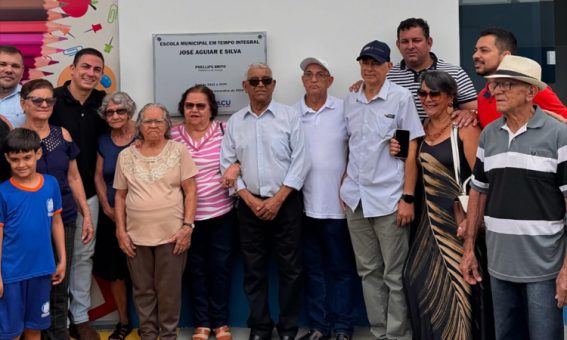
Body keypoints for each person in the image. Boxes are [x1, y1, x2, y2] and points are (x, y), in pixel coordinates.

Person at [460, 55, 567, 340]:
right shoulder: (489, 135)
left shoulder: (559, 135)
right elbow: (478, 191)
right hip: (498, 265)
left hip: (544, 268)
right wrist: (469, 248)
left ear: (531, 92)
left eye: (506, 85)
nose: (496, 91)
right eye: (495, 85)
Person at [390, 70, 493, 339]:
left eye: (434, 93)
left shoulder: (466, 127)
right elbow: (411, 167)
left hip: (457, 221)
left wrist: (473, 220)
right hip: (427, 222)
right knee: (416, 279)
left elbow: (481, 180)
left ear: (450, 97)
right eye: (423, 93)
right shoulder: (420, 127)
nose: (427, 99)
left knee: (461, 285)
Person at [340, 40, 424, 340]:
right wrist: (342, 187)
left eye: (375, 63)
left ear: (389, 66)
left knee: (394, 275)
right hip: (356, 199)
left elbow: (411, 148)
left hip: (390, 199)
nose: (369, 68)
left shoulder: (400, 98)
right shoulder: (350, 99)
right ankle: (379, 333)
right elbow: (347, 146)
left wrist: (408, 197)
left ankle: (398, 335)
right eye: (364, 62)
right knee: (368, 272)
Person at [220, 63, 308, 340]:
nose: (260, 85)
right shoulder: (235, 122)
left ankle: (288, 328)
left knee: (290, 270)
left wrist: (278, 199)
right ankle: (260, 327)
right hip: (249, 207)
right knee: (254, 270)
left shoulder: (289, 116)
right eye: (254, 81)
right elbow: (227, 164)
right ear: (245, 86)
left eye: (266, 80)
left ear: (273, 84)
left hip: (286, 204)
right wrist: (248, 198)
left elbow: (301, 160)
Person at [114, 103, 198, 339]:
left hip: (172, 235)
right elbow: (120, 195)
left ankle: (169, 335)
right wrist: (121, 231)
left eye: (159, 121)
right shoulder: (126, 155)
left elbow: (191, 191)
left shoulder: (178, 151)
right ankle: (148, 334)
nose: (153, 126)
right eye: (148, 121)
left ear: (167, 125)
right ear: (139, 125)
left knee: (169, 291)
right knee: (142, 290)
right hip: (135, 236)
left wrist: (187, 227)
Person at [19, 79, 94, 340]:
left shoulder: (62, 135)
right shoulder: (16, 140)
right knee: (34, 283)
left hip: (66, 217)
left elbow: (74, 177)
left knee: (60, 282)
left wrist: (86, 214)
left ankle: (59, 335)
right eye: (36, 100)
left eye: (48, 100)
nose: (43, 105)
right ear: (23, 104)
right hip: (29, 224)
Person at [293, 57, 358, 340]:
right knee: (313, 270)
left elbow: (360, 147)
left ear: (330, 81)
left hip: (339, 207)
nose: (314, 79)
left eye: (321, 74)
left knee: (343, 270)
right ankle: (319, 327)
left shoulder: (346, 109)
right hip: (304, 209)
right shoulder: (291, 114)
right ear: (303, 80)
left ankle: (343, 328)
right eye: (309, 74)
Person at [49, 47, 106, 339]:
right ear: (72, 69)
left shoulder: (103, 103)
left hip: (89, 195)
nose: (90, 73)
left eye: (97, 69)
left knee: (84, 255)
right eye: (85, 67)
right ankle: (53, 320)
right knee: (56, 257)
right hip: (54, 194)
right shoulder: (53, 101)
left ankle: (81, 317)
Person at [171, 85, 236, 340]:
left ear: (211, 109)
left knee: (220, 268)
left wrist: (237, 167)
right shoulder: (172, 135)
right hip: (186, 218)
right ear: (182, 109)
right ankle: (202, 323)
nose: (194, 110)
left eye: (200, 106)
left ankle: (221, 322)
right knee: (195, 270)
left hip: (221, 214)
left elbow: (246, 155)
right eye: (189, 106)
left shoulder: (224, 130)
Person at [0, 128, 66, 340]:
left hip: (42, 271)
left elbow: (56, 222)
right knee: (11, 333)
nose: (21, 164)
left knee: (35, 329)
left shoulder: (50, 184)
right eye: (15, 159)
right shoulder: (2, 192)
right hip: (11, 275)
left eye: (27, 157)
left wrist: (62, 259)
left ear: (38, 154)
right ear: (7, 159)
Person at [92, 92, 136, 340]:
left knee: (144, 272)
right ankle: (123, 322)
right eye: (110, 112)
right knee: (116, 271)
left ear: (129, 111)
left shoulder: (143, 135)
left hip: (142, 216)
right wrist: (107, 207)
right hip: (111, 216)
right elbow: (99, 176)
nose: (115, 116)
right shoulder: (103, 140)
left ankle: (151, 322)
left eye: (120, 111)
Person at [472, 27, 567, 127]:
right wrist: (471, 114)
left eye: (484, 50)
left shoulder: (530, 88)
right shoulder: (483, 96)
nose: (475, 55)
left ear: (506, 56)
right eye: (475, 50)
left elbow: (563, 120)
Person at [0, 45, 25, 127]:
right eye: (2, 64)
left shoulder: (31, 99)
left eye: (15, 66)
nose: (9, 70)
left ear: (22, 71)